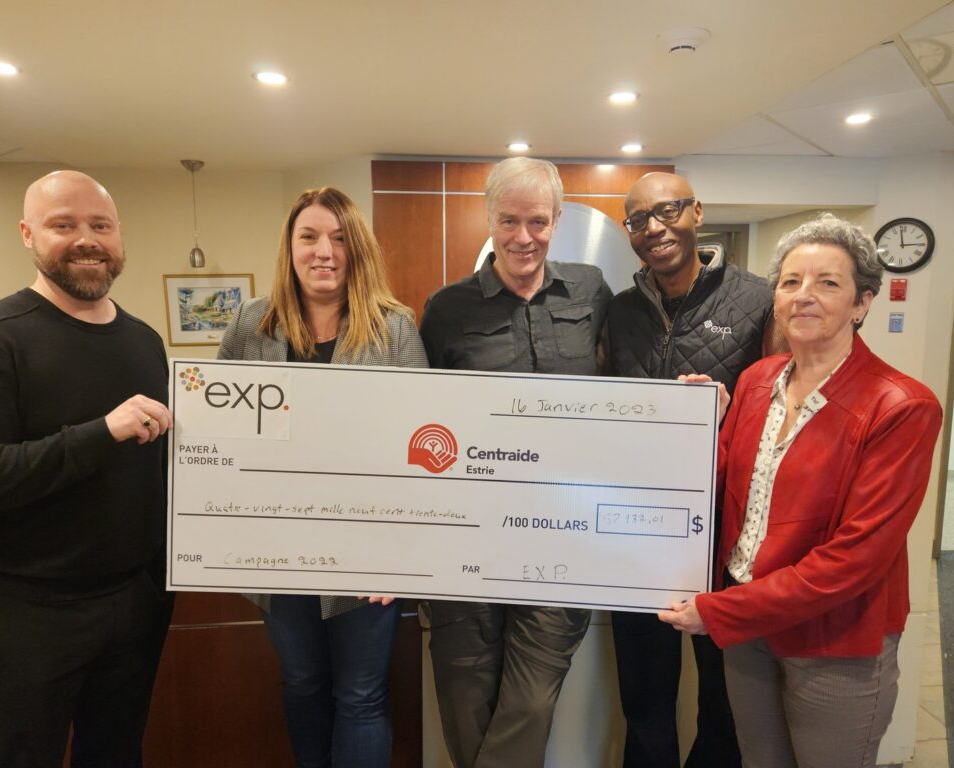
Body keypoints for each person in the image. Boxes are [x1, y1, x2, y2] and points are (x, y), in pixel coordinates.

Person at [659, 214, 942, 768]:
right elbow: (725, 490)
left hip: (835, 642)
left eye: (827, 283)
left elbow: (855, 560)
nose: (804, 297)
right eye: (790, 282)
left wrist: (721, 611)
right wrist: (699, 426)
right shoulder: (757, 380)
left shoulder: (902, 406)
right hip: (749, 633)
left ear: (862, 303)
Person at [0, 170, 174, 767]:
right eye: (63, 225)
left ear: (119, 236)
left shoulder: (145, 342)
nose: (86, 239)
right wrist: (101, 433)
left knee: (117, 754)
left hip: (132, 603)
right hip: (26, 614)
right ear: (28, 234)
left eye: (100, 225)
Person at [217, 187, 427, 768]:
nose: (324, 251)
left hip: (365, 551)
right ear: (290, 248)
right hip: (276, 547)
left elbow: (423, 450)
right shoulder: (249, 323)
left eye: (339, 238)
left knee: (360, 696)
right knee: (303, 683)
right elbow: (219, 432)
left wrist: (401, 550)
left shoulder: (394, 329)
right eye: (309, 237)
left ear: (358, 251)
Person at [419, 157, 612, 768]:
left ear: (556, 221)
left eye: (537, 221)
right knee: (465, 702)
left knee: (530, 703)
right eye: (509, 220)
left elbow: (630, 386)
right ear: (489, 220)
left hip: (562, 537)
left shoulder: (592, 291)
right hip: (466, 540)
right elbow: (419, 423)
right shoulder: (446, 309)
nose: (522, 237)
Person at [601, 171, 774, 768]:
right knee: (644, 700)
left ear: (697, 211)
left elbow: (781, 409)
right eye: (638, 220)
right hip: (637, 538)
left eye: (667, 211)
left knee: (725, 701)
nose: (654, 228)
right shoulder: (619, 312)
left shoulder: (757, 299)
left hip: (725, 539)